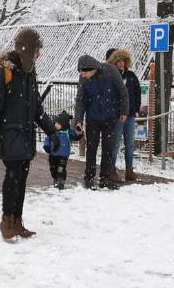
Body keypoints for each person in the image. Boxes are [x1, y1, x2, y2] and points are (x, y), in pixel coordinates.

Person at [0, 28, 58, 240]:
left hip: (25, 136)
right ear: (27, 49)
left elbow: (36, 107)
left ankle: (17, 221)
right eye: (37, 50)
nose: (39, 54)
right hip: (9, 135)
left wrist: (51, 130)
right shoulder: (4, 72)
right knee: (13, 177)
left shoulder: (29, 72)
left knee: (21, 179)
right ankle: (6, 221)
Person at [75, 54, 129, 190]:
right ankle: (89, 177)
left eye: (84, 72)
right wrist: (78, 120)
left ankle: (105, 179)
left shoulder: (111, 71)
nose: (83, 75)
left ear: (93, 69)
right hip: (93, 117)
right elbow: (80, 100)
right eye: (81, 73)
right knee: (91, 149)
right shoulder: (84, 79)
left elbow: (123, 92)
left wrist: (123, 111)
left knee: (108, 149)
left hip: (110, 117)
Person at [107, 48, 141, 182]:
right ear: (114, 62)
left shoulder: (131, 76)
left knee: (130, 144)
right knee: (115, 144)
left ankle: (129, 169)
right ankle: (111, 170)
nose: (121, 63)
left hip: (130, 115)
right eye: (118, 61)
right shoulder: (112, 76)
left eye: (123, 60)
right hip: (117, 116)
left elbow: (137, 92)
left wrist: (135, 108)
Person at [42, 111, 83, 190]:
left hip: (63, 156)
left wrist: (79, 133)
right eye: (55, 123)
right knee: (53, 168)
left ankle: (61, 180)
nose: (55, 124)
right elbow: (48, 139)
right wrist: (46, 146)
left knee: (61, 168)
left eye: (57, 123)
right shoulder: (53, 132)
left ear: (63, 124)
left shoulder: (68, 132)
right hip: (52, 155)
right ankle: (55, 178)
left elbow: (76, 136)